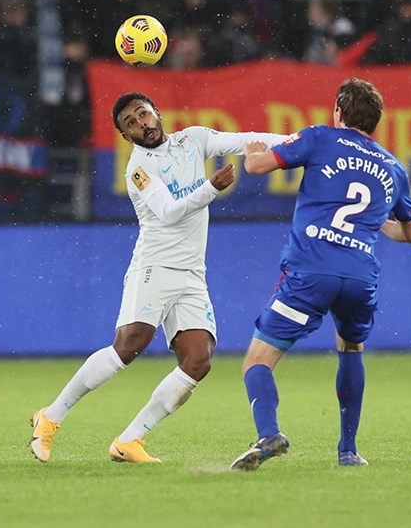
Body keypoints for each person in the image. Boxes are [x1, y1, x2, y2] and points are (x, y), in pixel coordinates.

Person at [30, 92, 288, 464]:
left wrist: (299, 142)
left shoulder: (193, 139)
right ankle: (51, 416)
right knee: (128, 345)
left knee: (198, 360)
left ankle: (129, 440)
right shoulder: (137, 169)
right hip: (154, 266)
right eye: (131, 124)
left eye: (143, 114)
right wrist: (211, 188)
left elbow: (246, 139)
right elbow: (169, 213)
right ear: (126, 137)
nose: (141, 124)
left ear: (157, 113)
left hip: (192, 273)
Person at [229, 78, 411, 471]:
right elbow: (410, 234)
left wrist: (251, 152)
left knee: (257, 361)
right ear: (375, 121)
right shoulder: (394, 167)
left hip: (312, 270)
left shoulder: (320, 137)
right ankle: (348, 451)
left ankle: (269, 434)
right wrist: (373, 222)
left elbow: (257, 166)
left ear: (338, 111)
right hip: (359, 276)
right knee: (350, 348)